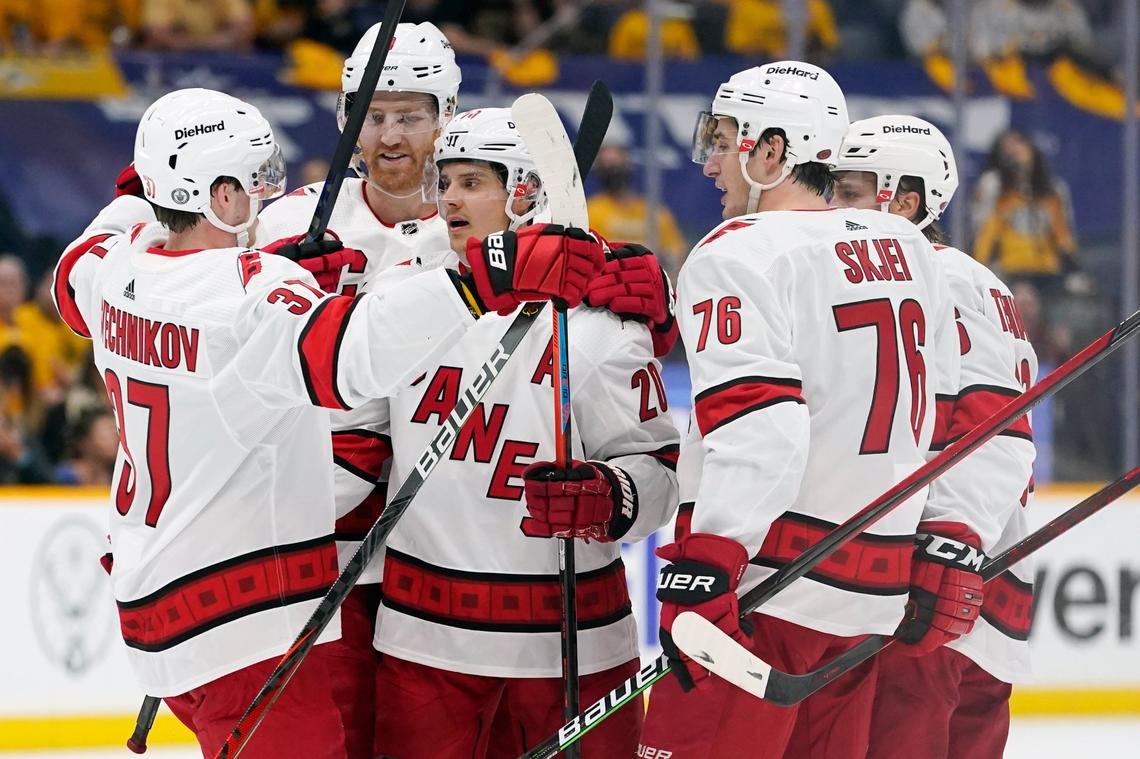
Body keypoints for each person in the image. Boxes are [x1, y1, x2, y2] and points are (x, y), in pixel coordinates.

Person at [51, 86, 602, 759]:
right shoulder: (248, 293)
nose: (264, 196)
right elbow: (350, 357)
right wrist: (481, 280)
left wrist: (152, 184)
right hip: (241, 621)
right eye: (255, 181)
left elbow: (77, 262)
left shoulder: (117, 264)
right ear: (221, 197)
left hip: (150, 599)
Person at [254, 22, 677, 757]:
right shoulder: (314, 239)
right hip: (372, 590)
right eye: (372, 113)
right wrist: (276, 304)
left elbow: (654, 461)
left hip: (552, 625)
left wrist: (617, 494)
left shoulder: (590, 306)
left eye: (410, 115)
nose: (390, 135)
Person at [638, 62, 964, 759]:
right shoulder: (907, 246)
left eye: (724, 141)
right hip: (867, 599)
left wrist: (711, 557)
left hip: (763, 594)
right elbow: (944, 411)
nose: (710, 164)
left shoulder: (739, 252)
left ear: (774, 150)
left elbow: (762, 425)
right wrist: (942, 535)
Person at [359, 107, 680, 759]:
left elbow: (658, 472)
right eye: (445, 180)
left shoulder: (599, 320)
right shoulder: (398, 292)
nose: (448, 196)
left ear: (527, 190)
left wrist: (612, 496)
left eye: (472, 181)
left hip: (573, 639)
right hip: (425, 638)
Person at [832, 115, 1038, 759]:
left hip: (929, 581)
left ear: (905, 199)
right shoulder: (980, 280)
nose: (833, 205)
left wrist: (948, 538)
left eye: (850, 191)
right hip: (985, 578)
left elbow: (990, 418)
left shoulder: (924, 277)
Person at [970, 128, 1081, 295]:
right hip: (1007, 268)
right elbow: (984, 233)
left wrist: (1075, 270)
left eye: (1020, 145)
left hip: (1048, 268)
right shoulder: (993, 186)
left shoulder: (1052, 190)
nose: (1017, 154)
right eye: (1009, 149)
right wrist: (978, 269)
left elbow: (1063, 235)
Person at [586, 143, 687, 280]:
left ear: (628, 166)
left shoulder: (654, 212)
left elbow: (677, 256)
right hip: (609, 284)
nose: (613, 171)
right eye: (607, 166)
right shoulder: (591, 211)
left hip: (652, 283)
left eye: (617, 165)